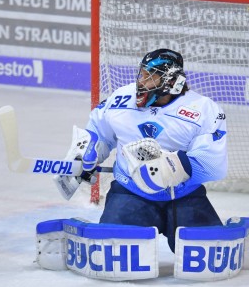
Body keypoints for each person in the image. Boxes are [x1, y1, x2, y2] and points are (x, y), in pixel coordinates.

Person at [69, 48, 228, 252]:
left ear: (171, 82)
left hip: (184, 196)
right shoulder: (121, 98)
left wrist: (170, 169)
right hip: (130, 192)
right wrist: (86, 154)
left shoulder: (204, 109)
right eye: (141, 74)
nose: (140, 82)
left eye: (149, 77)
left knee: (212, 255)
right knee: (112, 253)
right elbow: (99, 132)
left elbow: (213, 164)